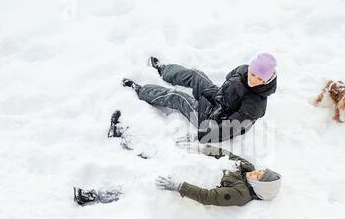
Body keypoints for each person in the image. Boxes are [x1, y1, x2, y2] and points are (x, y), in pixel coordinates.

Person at [121, 53, 277, 143]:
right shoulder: (243, 70)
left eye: (260, 79)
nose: (253, 79)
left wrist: (203, 135)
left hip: (214, 122)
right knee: (196, 75)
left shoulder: (256, 104)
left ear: (267, 80)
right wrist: (216, 95)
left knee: (178, 97)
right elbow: (228, 82)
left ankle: (141, 90)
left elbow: (233, 126)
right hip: (219, 100)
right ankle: (164, 70)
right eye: (253, 74)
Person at [73, 142, 282, 207]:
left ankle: (95, 195)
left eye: (259, 176)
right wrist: (200, 148)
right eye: (260, 170)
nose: (256, 171)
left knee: (146, 184)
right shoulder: (247, 168)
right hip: (196, 164)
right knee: (160, 154)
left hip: (192, 181)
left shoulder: (240, 193)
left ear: (259, 187)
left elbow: (208, 196)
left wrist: (179, 186)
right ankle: (128, 139)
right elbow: (224, 154)